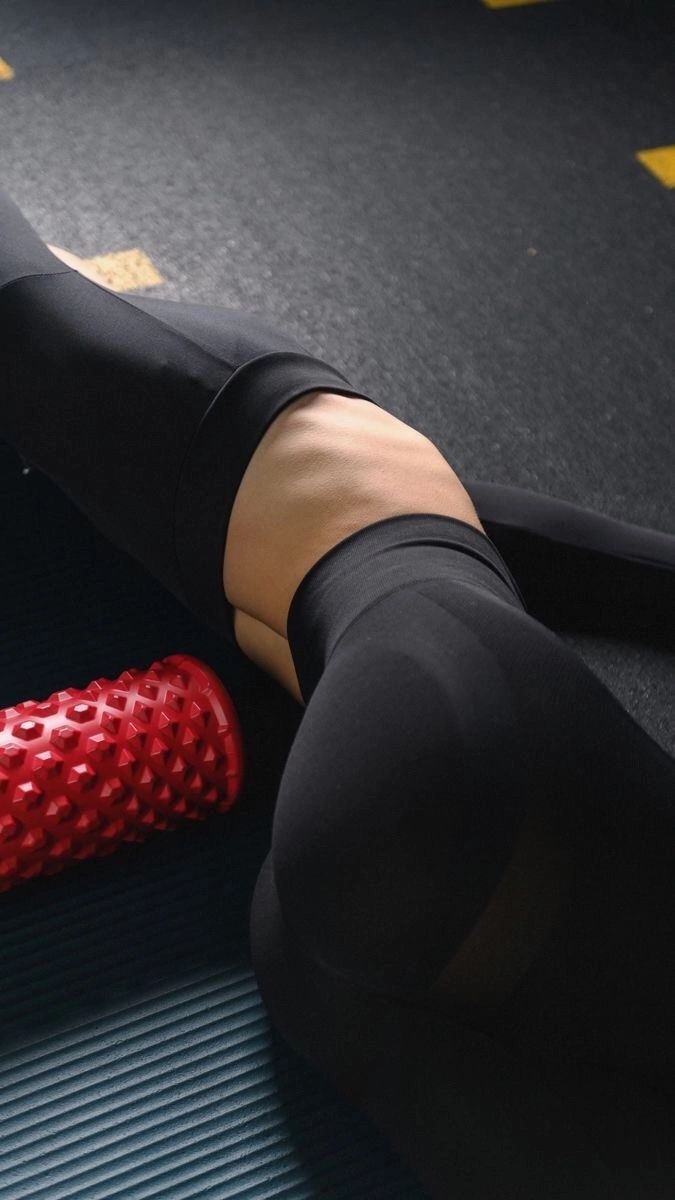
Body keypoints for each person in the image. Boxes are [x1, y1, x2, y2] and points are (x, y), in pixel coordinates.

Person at [1, 186, 673, 1198]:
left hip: (364, 790)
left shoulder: (83, 365)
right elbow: (531, 538)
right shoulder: (144, 377)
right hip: (419, 703)